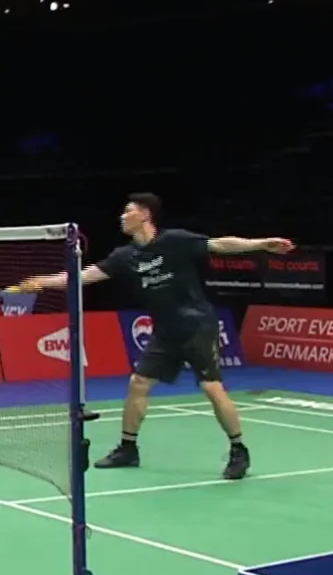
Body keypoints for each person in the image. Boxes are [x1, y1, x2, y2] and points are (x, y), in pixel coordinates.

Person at [16, 193, 293, 480]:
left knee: (211, 387)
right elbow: (82, 277)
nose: (122, 217)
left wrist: (261, 244)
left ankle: (238, 449)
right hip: (165, 331)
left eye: (128, 211)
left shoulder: (174, 241)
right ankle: (128, 448)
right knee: (138, 383)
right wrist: (40, 282)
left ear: (145, 215)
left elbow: (220, 244)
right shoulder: (124, 256)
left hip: (197, 325)